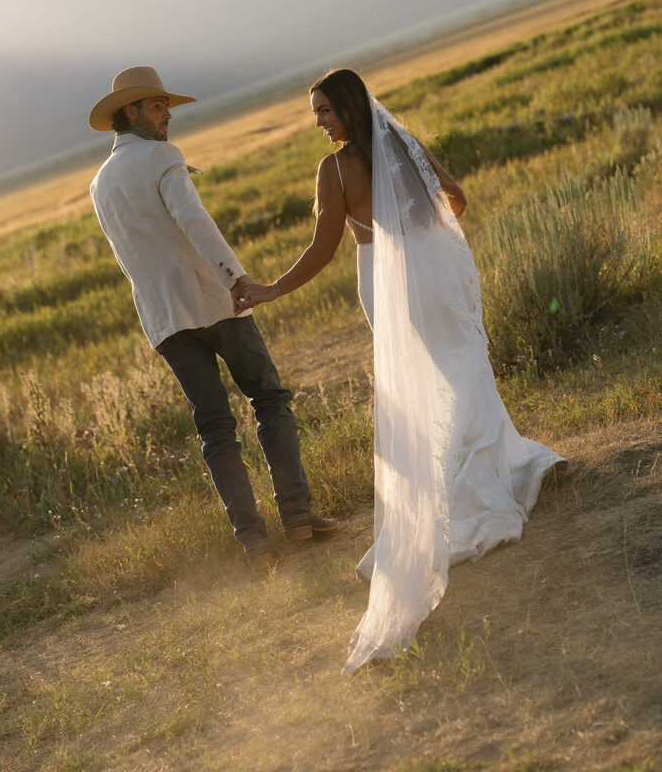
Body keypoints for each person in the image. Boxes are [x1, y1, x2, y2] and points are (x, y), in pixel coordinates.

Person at [233, 68, 565, 670]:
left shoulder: (334, 171)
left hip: (390, 281)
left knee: (420, 383)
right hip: (435, 266)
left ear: (348, 109)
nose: (319, 124)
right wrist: (418, 228)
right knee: (460, 366)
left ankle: (458, 492)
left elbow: (323, 247)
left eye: (325, 113)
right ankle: (498, 468)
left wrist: (269, 288)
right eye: (316, 114)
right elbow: (456, 198)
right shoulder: (402, 144)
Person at [88, 65, 338, 576]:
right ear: (131, 111)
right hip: (212, 300)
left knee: (215, 428)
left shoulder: (99, 183)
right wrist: (236, 278)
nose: (168, 114)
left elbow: (129, 254)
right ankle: (297, 516)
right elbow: (193, 220)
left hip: (163, 319)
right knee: (268, 398)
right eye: (159, 106)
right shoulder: (162, 156)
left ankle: (255, 546)